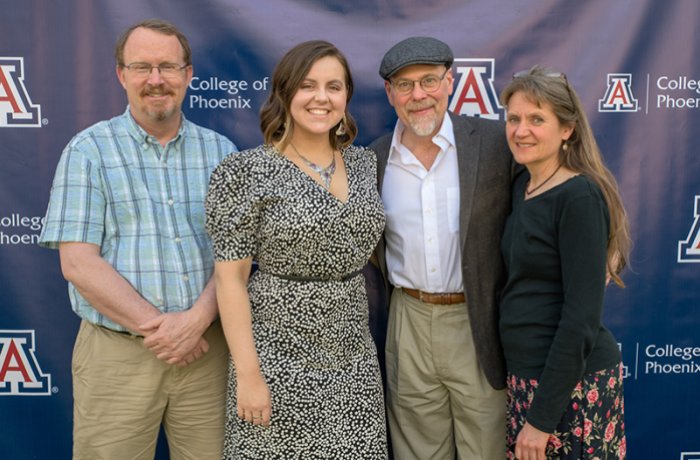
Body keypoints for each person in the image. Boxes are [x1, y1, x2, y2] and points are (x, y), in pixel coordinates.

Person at [38, 19, 236, 460]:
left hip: (207, 352)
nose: (156, 80)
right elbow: (78, 263)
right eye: (142, 67)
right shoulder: (88, 151)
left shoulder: (221, 152)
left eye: (168, 66)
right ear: (121, 75)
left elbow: (236, 257)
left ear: (188, 74)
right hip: (117, 358)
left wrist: (194, 323)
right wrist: (163, 330)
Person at [205, 40, 388, 459]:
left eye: (334, 86)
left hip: (353, 359)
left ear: (346, 97)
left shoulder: (363, 164)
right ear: (285, 93)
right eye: (308, 85)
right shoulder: (244, 172)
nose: (321, 97)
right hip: (276, 358)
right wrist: (249, 376)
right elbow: (230, 280)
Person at [370, 36, 515, 460]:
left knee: (484, 448)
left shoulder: (494, 144)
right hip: (408, 319)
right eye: (405, 85)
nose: (419, 96)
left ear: (450, 81)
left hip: (477, 322)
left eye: (429, 81)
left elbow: (550, 193)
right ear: (390, 93)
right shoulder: (373, 159)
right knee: (418, 451)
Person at [499, 66, 630, 460]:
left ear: (567, 130)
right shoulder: (522, 185)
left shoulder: (579, 198)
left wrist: (540, 422)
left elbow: (580, 320)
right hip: (526, 379)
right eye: (514, 119)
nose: (521, 130)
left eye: (537, 119)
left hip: (570, 386)